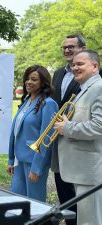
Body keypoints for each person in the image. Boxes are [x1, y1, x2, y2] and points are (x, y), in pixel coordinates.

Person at [54, 49, 102, 225]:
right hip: (81, 170)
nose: (74, 67)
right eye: (73, 64)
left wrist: (67, 128)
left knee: (90, 221)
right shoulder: (85, 88)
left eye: (80, 64)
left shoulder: (98, 88)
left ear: (95, 66)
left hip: (90, 172)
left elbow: (100, 126)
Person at [7, 65, 58, 202]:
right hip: (20, 160)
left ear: (43, 82)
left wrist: (36, 168)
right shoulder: (26, 102)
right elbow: (15, 132)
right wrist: (11, 159)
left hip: (34, 161)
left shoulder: (49, 104)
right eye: (27, 79)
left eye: (34, 79)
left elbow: (46, 138)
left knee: (35, 203)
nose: (29, 82)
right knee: (16, 201)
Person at [51, 34, 86, 225]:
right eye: (64, 47)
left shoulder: (95, 74)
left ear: (83, 47)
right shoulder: (58, 73)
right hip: (57, 136)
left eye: (71, 47)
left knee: (79, 189)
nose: (66, 51)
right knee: (61, 183)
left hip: (78, 137)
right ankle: (70, 221)